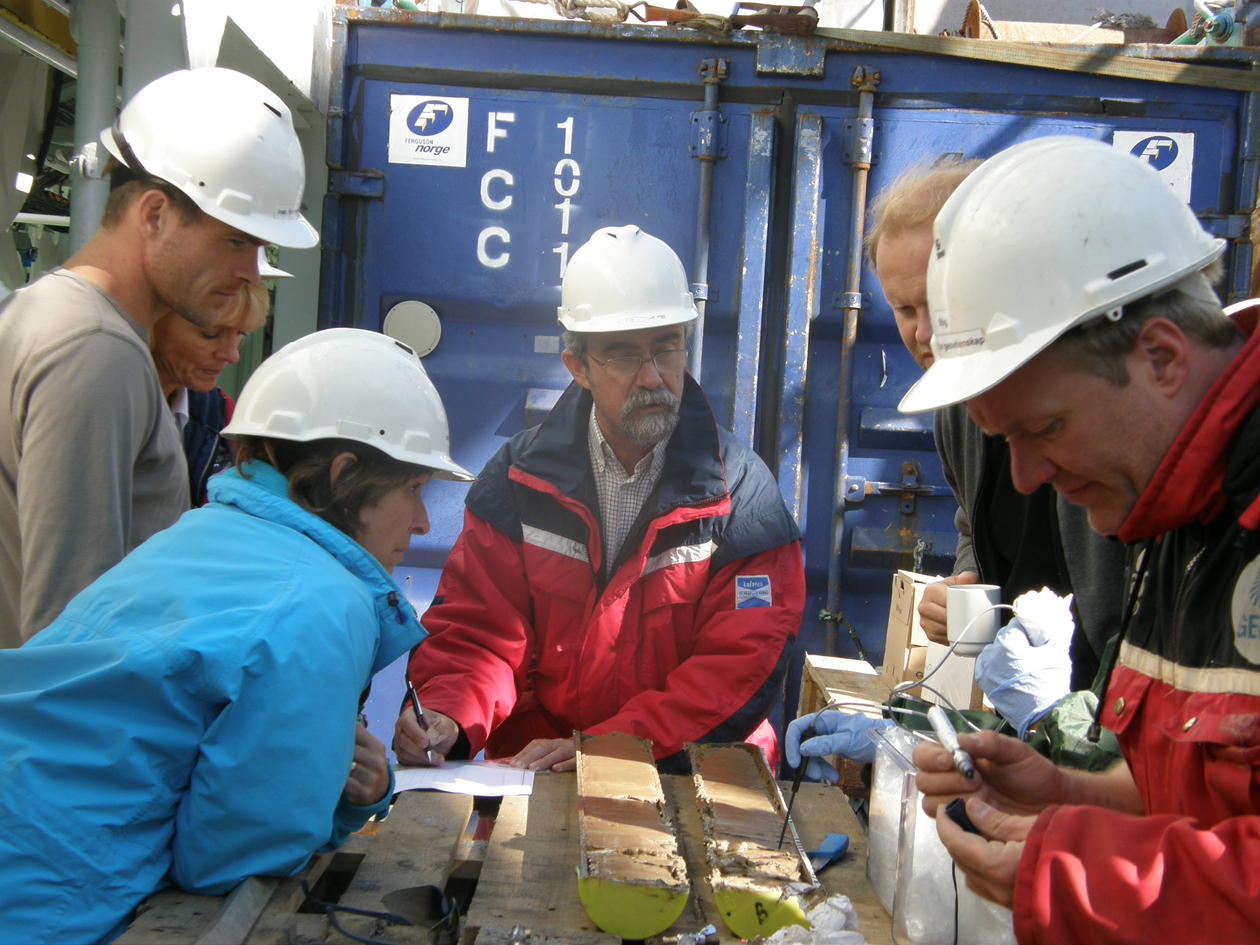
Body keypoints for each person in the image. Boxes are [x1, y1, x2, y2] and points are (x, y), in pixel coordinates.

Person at [0, 328, 475, 945]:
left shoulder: (198, 534)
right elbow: (233, 855)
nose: (423, 522)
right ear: (344, 475)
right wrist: (344, 799)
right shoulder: (320, 603)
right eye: (413, 489)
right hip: (41, 902)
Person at [897, 136, 1259, 943]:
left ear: (1161, 356)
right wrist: (1069, 795)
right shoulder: (1178, 515)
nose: (1025, 478)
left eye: (1046, 427)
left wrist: (1089, 874)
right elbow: (1201, 805)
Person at [394, 224, 805, 774]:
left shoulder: (741, 497)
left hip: (687, 772)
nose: (652, 376)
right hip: (540, 771)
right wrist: (448, 714)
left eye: (667, 346)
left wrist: (614, 746)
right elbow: (479, 630)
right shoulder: (519, 481)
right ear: (578, 368)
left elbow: (739, 664)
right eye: (623, 355)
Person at [788, 159, 1129, 777]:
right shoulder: (954, 413)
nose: (924, 334)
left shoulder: (1120, 439)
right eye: (903, 308)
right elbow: (976, 522)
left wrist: (1054, 718)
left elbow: (1157, 756)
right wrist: (969, 585)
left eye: (938, 302)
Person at [0, 67, 318, 647]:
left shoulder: (46, 317)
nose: (250, 272)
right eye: (236, 240)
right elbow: (68, 636)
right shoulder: (97, 350)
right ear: (153, 215)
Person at [150, 282, 270, 505]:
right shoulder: (114, 403)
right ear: (152, 322)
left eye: (241, 334)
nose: (232, 355)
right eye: (211, 334)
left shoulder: (220, 412)